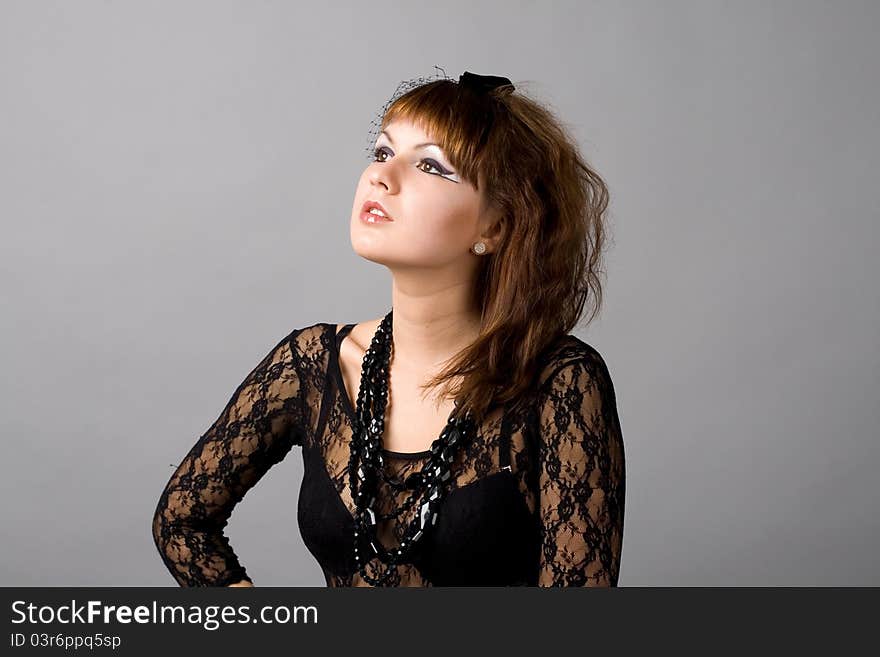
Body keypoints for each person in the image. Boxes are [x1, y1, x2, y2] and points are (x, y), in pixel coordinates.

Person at [152, 70, 626, 587]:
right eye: (382, 151)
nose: (382, 175)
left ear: (496, 226)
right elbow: (180, 522)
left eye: (430, 165)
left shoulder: (561, 382)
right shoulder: (311, 362)